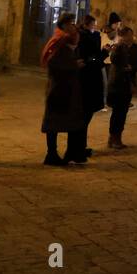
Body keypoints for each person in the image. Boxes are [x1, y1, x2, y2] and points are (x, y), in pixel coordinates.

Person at [41, 11, 86, 167]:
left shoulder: (70, 41)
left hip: (69, 88)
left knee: (69, 121)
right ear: (64, 25)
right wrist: (74, 65)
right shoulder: (59, 41)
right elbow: (52, 62)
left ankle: (71, 153)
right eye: (71, 23)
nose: (74, 26)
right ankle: (51, 154)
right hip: (58, 88)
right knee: (53, 123)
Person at [106, 25, 137, 149]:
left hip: (128, 82)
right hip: (117, 82)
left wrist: (132, 67)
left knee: (123, 111)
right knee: (117, 111)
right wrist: (118, 47)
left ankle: (117, 137)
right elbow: (114, 59)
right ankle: (113, 137)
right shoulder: (118, 47)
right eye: (126, 36)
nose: (129, 38)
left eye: (130, 35)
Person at [77, 12, 104, 157]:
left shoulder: (87, 37)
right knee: (84, 116)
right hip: (88, 81)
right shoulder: (86, 38)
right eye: (94, 25)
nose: (96, 28)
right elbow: (93, 58)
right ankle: (79, 147)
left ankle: (81, 146)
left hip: (89, 79)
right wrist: (103, 53)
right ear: (88, 25)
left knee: (85, 116)